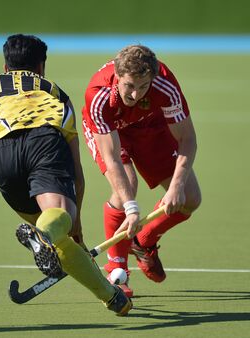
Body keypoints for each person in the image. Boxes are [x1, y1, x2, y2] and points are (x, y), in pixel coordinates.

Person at [0, 34, 131, 316]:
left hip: (1, 153)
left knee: (57, 238)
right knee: (59, 224)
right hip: (44, 142)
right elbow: (76, 169)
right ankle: (44, 235)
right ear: (41, 66)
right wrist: (76, 221)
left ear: (5, 66)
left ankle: (113, 298)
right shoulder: (55, 92)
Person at [81, 44, 202, 297]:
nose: (136, 94)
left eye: (143, 87)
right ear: (117, 76)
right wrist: (132, 208)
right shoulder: (98, 94)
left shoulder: (164, 85)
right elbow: (112, 159)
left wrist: (177, 185)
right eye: (129, 86)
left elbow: (187, 139)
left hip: (150, 124)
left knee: (190, 198)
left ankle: (143, 240)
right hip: (113, 132)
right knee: (127, 185)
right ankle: (117, 270)